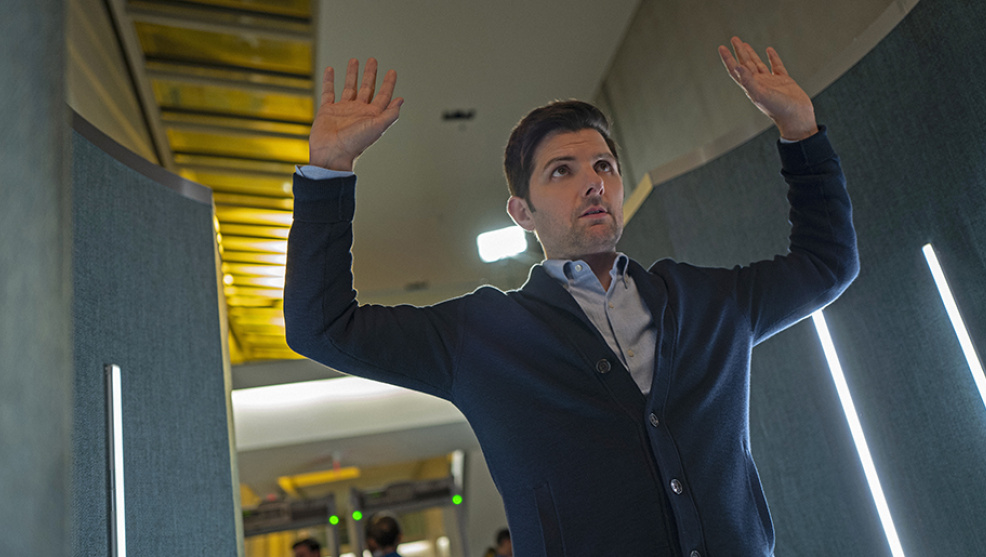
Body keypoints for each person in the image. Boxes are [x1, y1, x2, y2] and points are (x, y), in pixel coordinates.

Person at [284, 37, 858, 556]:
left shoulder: (708, 302)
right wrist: (329, 170)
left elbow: (827, 264)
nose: (593, 182)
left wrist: (800, 131)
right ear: (522, 212)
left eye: (604, 166)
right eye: (561, 171)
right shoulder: (480, 337)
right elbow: (323, 327)